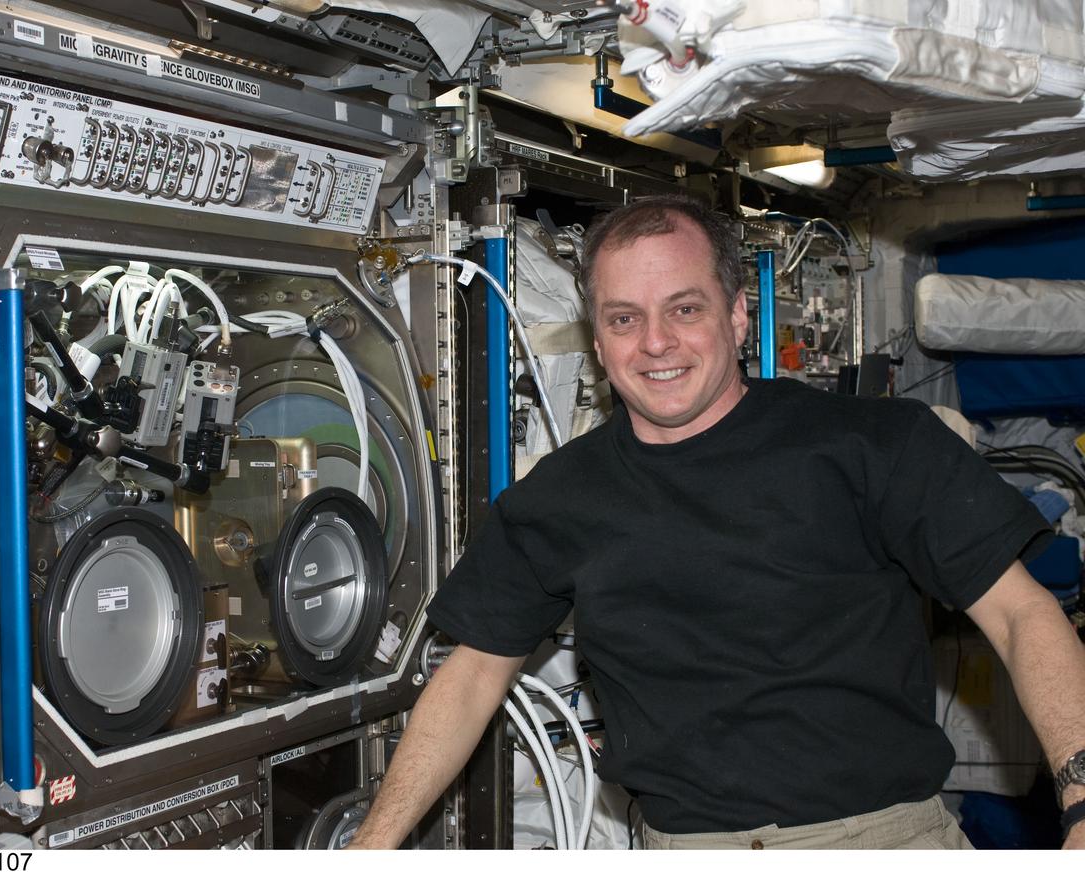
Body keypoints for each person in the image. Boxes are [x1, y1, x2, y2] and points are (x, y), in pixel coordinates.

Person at [347, 194, 1085, 850]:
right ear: (598, 343)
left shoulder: (877, 445)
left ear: (738, 315)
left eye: (685, 308)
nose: (656, 343)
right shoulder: (560, 498)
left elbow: (1021, 614)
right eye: (625, 320)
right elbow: (472, 675)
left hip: (878, 839)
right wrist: (371, 847)